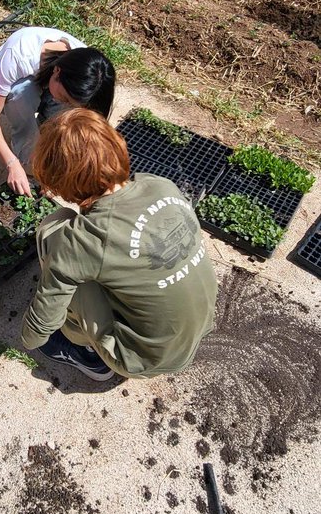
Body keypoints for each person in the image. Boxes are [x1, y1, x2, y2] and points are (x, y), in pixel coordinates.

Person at [21, 108, 218, 381]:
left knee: (52, 230)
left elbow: (41, 324)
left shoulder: (84, 239)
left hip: (142, 359)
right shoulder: (160, 185)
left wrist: (28, 338)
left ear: (61, 182)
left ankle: (88, 354)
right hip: (198, 327)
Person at [0, 26, 116, 196]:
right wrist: (12, 164)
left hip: (49, 84)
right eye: (65, 98)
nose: (64, 104)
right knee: (22, 92)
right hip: (14, 88)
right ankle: (26, 153)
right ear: (57, 71)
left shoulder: (87, 70)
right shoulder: (18, 55)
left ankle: (47, 153)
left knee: (64, 117)